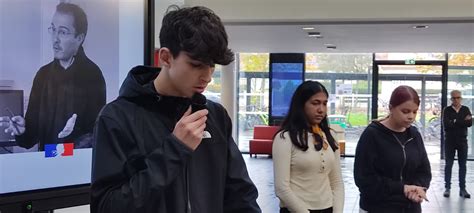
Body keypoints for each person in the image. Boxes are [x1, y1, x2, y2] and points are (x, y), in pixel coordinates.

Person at [90, 6, 261, 213]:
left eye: (212, 65)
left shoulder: (214, 116)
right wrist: (175, 149)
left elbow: (241, 196)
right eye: (196, 65)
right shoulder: (117, 117)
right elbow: (107, 207)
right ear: (165, 57)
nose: (207, 76)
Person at [1, 2, 105, 150]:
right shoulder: (42, 75)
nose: (55, 39)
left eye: (62, 32)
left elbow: (97, 135)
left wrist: (70, 137)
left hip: (77, 167)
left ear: (79, 38)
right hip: (46, 166)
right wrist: (22, 131)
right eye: (53, 30)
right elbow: (30, 138)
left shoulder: (93, 75)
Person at [354, 85, 431, 213]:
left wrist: (418, 188)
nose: (411, 116)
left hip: (410, 207)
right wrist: (402, 188)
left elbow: (424, 170)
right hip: (378, 207)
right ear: (391, 108)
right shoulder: (372, 135)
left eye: (415, 112)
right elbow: (364, 178)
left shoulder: (414, 135)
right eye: (405, 111)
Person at [273, 81, 344, 213]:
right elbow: (282, 188)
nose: (321, 109)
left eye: (324, 103)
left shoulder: (330, 136)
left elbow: (336, 182)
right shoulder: (285, 138)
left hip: (327, 208)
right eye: (315, 103)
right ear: (301, 105)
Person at [442, 90, 472, 198]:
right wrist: (461, 121)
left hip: (462, 141)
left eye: (458, 97)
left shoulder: (465, 109)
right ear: (451, 99)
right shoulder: (447, 110)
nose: (456, 100)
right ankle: (447, 188)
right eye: (454, 98)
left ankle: (462, 189)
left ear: (461, 98)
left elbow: (469, 123)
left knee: (462, 165)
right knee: (448, 164)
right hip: (449, 141)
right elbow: (446, 125)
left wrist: (454, 121)